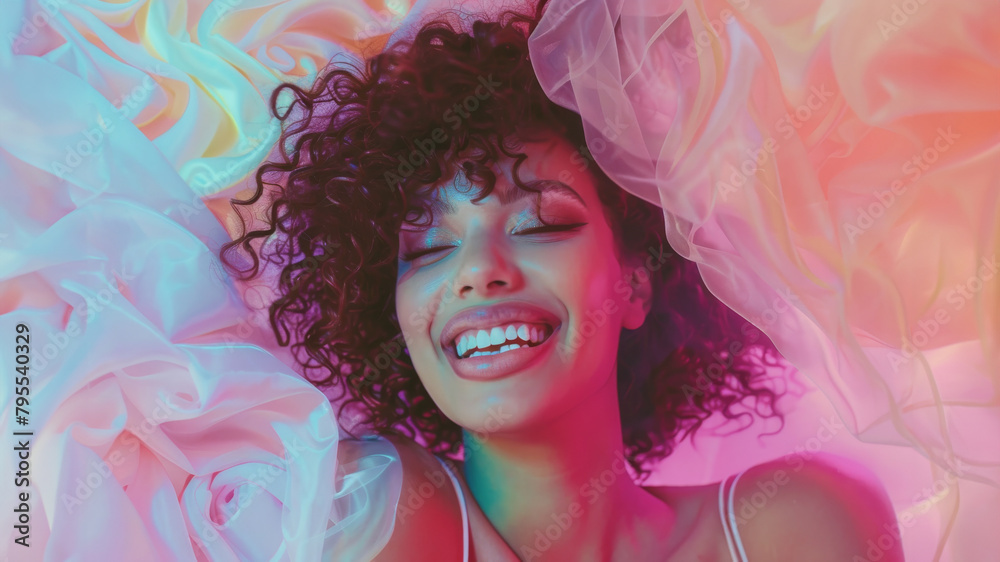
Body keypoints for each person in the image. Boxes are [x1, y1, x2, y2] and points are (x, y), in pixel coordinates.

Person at [220, 3, 903, 560]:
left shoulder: (796, 525)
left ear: (636, 282)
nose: (478, 271)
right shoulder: (371, 509)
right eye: (426, 247)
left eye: (541, 224)